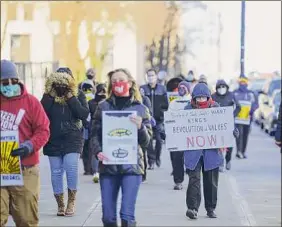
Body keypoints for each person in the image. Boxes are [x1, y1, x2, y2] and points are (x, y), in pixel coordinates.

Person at [91, 68, 152, 227]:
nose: (118, 83)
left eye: (121, 80)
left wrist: (141, 128)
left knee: (126, 216)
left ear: (130, 83)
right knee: (108, 218)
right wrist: (98, 151)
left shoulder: (140, 108)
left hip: (132, 168)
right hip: (108, 168)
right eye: (114, 81)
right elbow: (94, 135)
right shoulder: (103, 107)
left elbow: (146, 142)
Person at [0, 60, 50, 227]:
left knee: (26, 219)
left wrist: (29, 145)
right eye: (3, 82)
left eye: (12, 81)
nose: (8, 85)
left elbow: (44, 130)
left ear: (18, 80)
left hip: (25, 169)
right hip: (1, 168)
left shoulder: (31, 102)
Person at [41, 67, 89, 217]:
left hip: (72, 137)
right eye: (59, 81)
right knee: (55, 172)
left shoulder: (78, 94)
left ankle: (71, 202)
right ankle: (60, 203)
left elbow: (83, 114)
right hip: (53, 138)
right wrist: (50, 95)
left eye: (65, 81)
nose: (62, 85)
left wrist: (70, 97)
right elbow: (40, 113)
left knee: (71, 166)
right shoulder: (48, 96)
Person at [184, 83, 224, 220]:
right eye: (198, 98)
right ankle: (192, 208)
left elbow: (224, 125)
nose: (201, 100)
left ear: (208, 97)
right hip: (193, 151)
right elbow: (180, 128)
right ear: (194, 98)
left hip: (212, 152)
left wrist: (232, 132)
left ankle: (210, 208)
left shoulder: (216, 108)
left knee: (211, 181)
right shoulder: (187, 109)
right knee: (194, 180)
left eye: (203, 97)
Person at [140, 69, 168, 169]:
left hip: (159, 119)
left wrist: (162, 114)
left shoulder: (162, 89)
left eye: (152, 75)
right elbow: (140, 102)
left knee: (159, 140)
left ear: (156, 76)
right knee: (149, 141)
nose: (151, 77)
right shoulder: (143, 88)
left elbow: (166, 104)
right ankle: (151, 160)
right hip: (147, 119)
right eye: (149, 75)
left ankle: (157, 157)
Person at [212, 79, 241, 171]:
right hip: (217, 123)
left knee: (229, 143)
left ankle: (228, 160)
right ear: (216, 88)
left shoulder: (231, 95)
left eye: (223, 87)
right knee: (219, 143)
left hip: (229, 123)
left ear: (226, 87)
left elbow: (238, 107)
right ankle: (220, 163)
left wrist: (232, 115)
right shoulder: (213, 96)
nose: (221, 88)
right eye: (219, 87)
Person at [168, 81, 191, 190]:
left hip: (190, 135)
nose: (181, 89)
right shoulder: (173, 103)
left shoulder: (193, 102)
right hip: (176, 135)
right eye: (179, 87)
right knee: (176, 158)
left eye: (184, 87)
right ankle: (178, 181)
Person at [233, 75, 258, 159]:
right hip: (238, 118)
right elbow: (231, 103)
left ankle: (243, 152)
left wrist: (252, 110)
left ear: (247, 83)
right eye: (241, 82)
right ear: (239, 83)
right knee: (239, 135)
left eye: (244, 82)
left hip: (247, 118)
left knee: (245, 135)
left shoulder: (251, 93)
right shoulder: (235, 92)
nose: (243, 84)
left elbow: (256, 104)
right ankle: (238, 151)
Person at [88, 82, 107, 183]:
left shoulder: (108, 102)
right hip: (96, 127)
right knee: (96, 150)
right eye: (100, 91)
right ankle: (95, 172)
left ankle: (102, 170)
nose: (102, 93)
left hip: (108, 128)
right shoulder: (92, 102)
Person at [80, 81, 96, 175]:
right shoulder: (93, 98)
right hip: (91, 125)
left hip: (84, 125)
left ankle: (87, 169)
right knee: (90, 148)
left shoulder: (81, 97)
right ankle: (91, 168)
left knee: (85, 148)